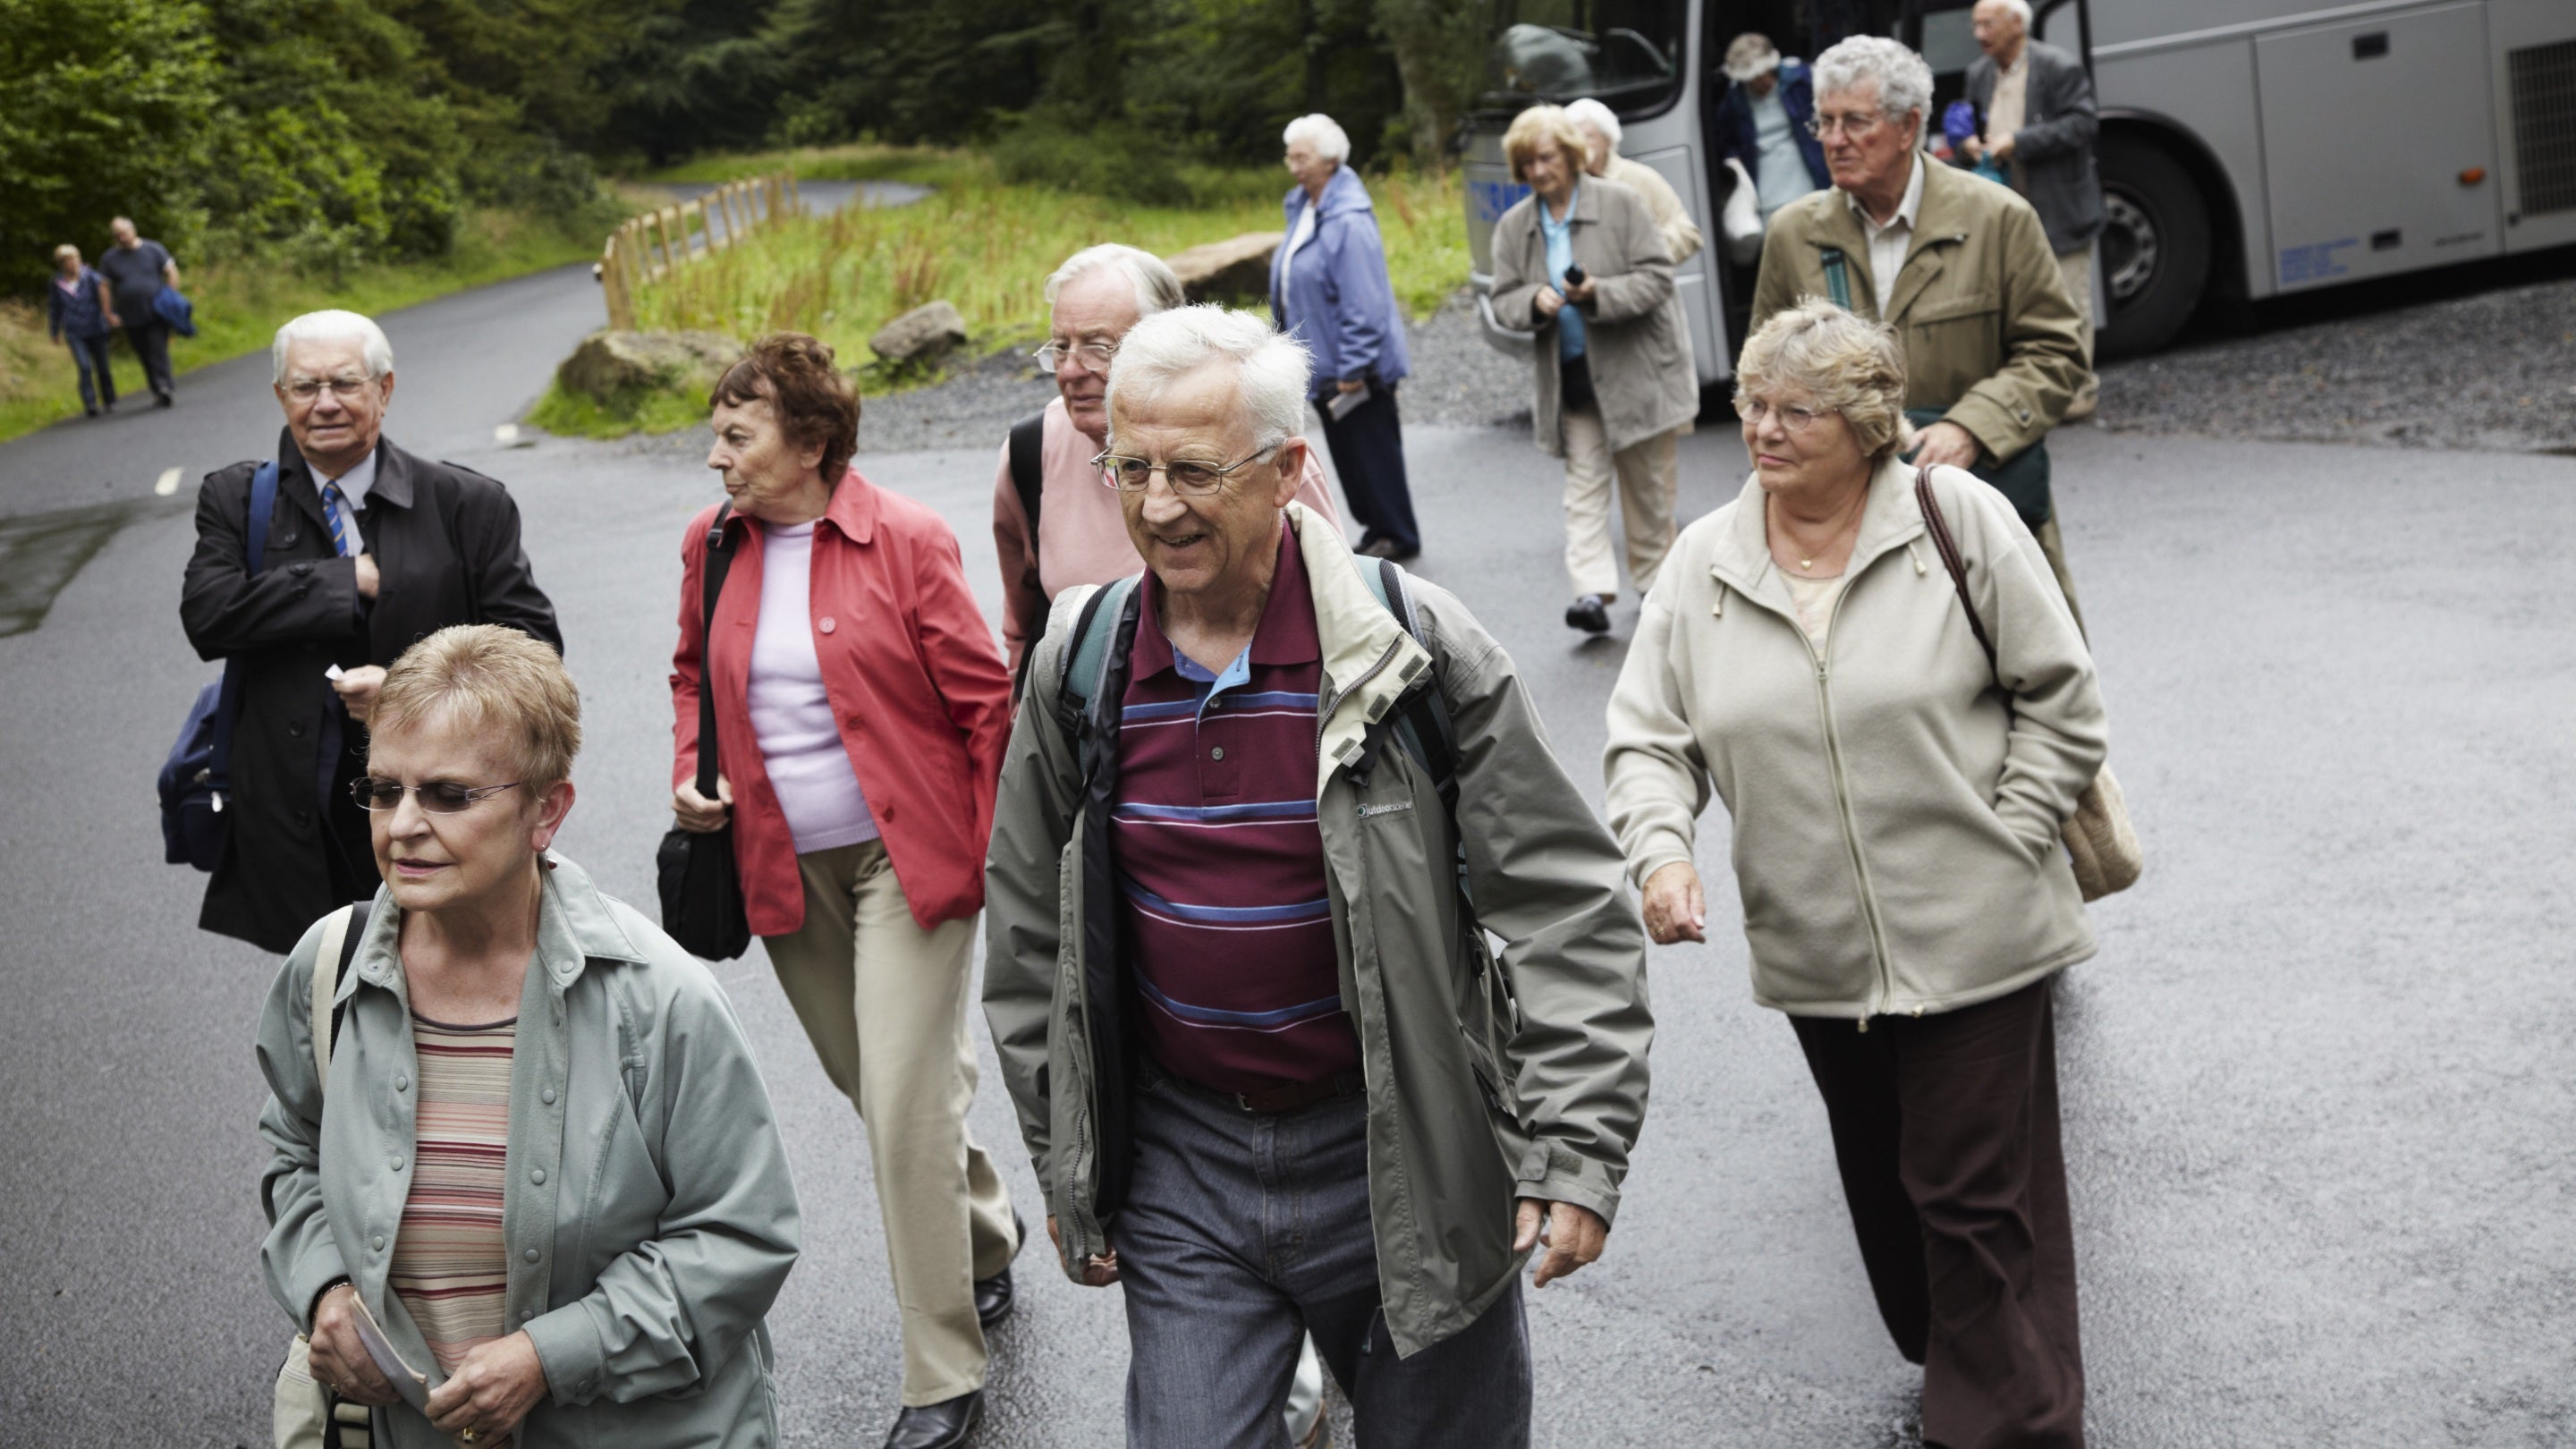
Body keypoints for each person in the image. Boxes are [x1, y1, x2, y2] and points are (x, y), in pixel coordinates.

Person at [984, 304, 1653, 1449]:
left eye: (1194, 471)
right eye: (1130, 468)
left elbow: (1564, 904)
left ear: (1289, 469)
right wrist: (1068, 1160)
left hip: (1407, 1147)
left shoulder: (1412, 647)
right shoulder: (1080, 658)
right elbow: (1028, 929)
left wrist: (1577, 1147)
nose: (1154, 507)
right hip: (1183, 1164)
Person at [1603, 299, 2104, 1449]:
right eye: (1753, 406)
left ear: (1870, 426)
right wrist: (1664, 852)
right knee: (1894, 1198)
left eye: (1797, 413)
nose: (1765, 432)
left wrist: (2013, 833)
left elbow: (2060, 692)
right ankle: (1977, 1350)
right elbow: (1649, 736)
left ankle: (2007, 1420)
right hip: (1818, 950)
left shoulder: (1953, 518)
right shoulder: (1704, 563)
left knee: (1967, 1191)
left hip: (1981, 931)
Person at [257, 623, 802, 1448]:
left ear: (546, 809)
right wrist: (326, 1289)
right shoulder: (328, 969)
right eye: (384, 789)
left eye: (448, 795)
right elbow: (295, 1151)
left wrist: (551, 1358)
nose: (402, 824)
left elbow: (739, 1235)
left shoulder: (659, 1000)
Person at [667, 333, 1020, 1449]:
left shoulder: (904, 537)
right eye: (716, 434)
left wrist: (990, 850)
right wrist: (691, 767)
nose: (715, 457)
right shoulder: (712, 545)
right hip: (780, 867)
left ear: (811, 443)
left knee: (909, 1102)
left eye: (737, 435)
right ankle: (986, 1234)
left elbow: (984, 703)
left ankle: (941, 1374)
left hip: (907, 864)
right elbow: (691, 675)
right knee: (882, 1092)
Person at [181, 309, 560, 954]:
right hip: (292, 815)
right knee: (324, 997)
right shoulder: (236, 500)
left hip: (437, 806)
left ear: (384, 390)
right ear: (281, 396)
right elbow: (209, 615)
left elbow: (534, 649)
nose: (325, 403)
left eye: (345, 384)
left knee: (446, 977)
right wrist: (340, 579)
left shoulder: (467, 503)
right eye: (305, 387)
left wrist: (408, 690)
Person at [1751, 35, 2092, 622]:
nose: (1834, 141)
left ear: (1908, 127)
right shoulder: (1792, 234)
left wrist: (1971, 428)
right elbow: (1761, 384)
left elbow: (2056, 353)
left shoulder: (1997, 217)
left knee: (2025, 682)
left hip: (1982, 517)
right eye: (1824, 122)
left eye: (1855, 122)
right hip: (1844, 532)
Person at [994, 243, 1341, 680]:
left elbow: (1338, 604)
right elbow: (1023, 627)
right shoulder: (1030, 453)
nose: (1069, 369)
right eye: (1060, 347)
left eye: (1099, 347)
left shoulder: (1262, 457)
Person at [1487, 104, 1699, 636]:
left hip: (1634, 374)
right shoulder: (1516, 226)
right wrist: (1534, 301)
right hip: (1572, 379)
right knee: (1582, 488)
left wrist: (1597, 292)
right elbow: (1503, 298)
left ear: (1571, 154)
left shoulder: (1622, 202)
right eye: (1527, 162)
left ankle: (1654, 586)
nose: (1538, 171)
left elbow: (1656, 279)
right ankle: (1591, 591)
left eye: (1547, 158)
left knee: (1645, 488)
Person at [1271, 113, 1423, 563]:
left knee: (1372, 453)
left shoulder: (1349, 219)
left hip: (1355, 369)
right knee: (1350, 456)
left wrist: (1355, 365)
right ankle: (1377, 530)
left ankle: (1396, 534)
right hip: (1324, 362)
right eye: (1290, 155)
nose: (1293, 164)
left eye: (1302, 156)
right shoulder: (1304, 206)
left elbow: (1364, 301)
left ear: (1330, 159)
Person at [1957, 0, 2106, 419]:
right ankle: (2036, 391)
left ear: (2017, 24)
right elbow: (1966, 124)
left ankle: (2079, 391)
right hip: (2007, 211)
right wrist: (1971, 143)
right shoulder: (1978, 73)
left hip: (2059, 207)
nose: (1979, 33)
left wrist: (2019, 142)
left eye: (1988, 23)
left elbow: (2083, 124)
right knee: (2019, 305)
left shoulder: (2057, 66)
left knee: (2071, 301)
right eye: (1976, 24)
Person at [1563, 98, 1704, 264]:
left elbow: (1687, 233)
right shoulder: (1562, 188)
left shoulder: (1639, 178)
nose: (1581, 145)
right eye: (1574, 139)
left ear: (1608, 139)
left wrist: (1645, 254)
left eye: (1589, 136)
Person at [1712, 35, 1833, 225]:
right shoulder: (1735, 99)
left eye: (1762, 75)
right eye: (1752, 80)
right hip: (1765, 178)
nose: (1759, 83)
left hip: (1805, 168)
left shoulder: (1799, 79)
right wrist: (1734, 158)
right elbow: (1724, 140)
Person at [97, 216, 180, 406]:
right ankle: (157, 388)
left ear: (133, 230)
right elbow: (104, 286)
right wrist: (108, 312)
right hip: (130, 314)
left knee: (157, 348)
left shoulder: (153, 249)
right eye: (117, 235)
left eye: (124, 233)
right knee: (143, 352)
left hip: (157, 310)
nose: (122, 238)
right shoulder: (109, 258)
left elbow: (172, 271)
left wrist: (170, 297)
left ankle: (164, 385)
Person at [46, 244, 117, 417]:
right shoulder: (57, 283)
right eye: (68, 261)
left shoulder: (90, 276)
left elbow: (104, 293)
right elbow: (54, 308)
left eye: (75, 259)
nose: (73, 263)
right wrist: (54, 331)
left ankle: (109, 400)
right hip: (75, 331)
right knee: (84, 367)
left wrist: (108, 316)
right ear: (61, 264)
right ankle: (90, 403)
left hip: (96, 327)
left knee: (103, 366)